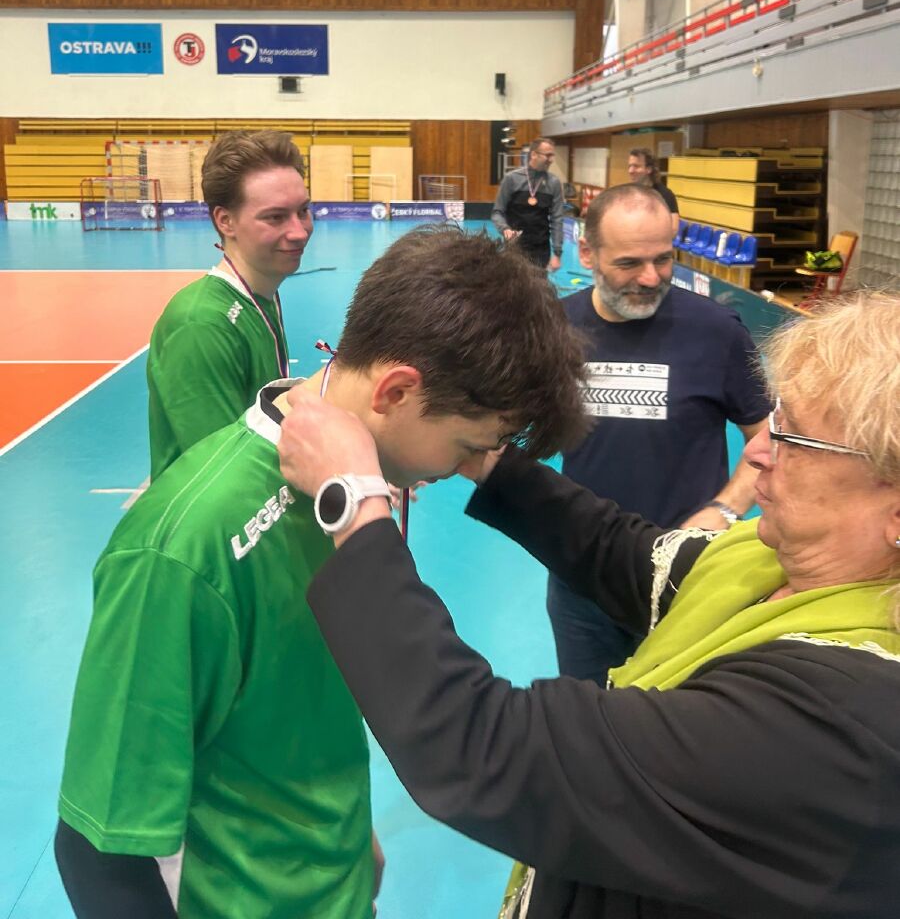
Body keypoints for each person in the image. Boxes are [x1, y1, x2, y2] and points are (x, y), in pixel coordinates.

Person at [278, 289, 900, 919]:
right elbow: (625, 554)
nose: (759, 449)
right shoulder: (770, 562)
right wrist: (477, 448)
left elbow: (488, 751)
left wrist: (352, 501)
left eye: (796, 438)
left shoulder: (850, 720)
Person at [55, 225, 588, 919]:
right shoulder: (184, 549)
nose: (463, 469)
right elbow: (99, 851)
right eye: (465, 446)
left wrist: (345, 827)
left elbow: (296, 699)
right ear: (396, 391)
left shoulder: (355, 498)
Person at [548, 184, 769, 685]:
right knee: (587, 714)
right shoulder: (554, 329)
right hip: (582, 576)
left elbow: (772, 437)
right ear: (588, 253)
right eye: (629, 263)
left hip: (687, 575)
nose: (650, 278)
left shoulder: (717, 331)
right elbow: (499, 420)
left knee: (678, 718)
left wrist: (726, 509)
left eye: (663, 259)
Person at [146, 129, 312, 479]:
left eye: (303, 211)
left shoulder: (261, 296)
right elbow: (222, 472)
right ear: (225, 221)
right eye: (275, 217)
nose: (299, 231)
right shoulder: (201, 325)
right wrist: (340, 479)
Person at [492, 137, 565, 271]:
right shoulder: (511, 179)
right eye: (547, 155)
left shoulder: (554, 183)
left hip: (541, 251)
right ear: (534, 154)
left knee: (538, 284)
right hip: (514, 248)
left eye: (552, 155)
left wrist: (557, 253)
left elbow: (557, 219)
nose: (551, 160)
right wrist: (505, 229)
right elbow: (497, 212)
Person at [627, 145, 679, 234]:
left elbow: (673, 229)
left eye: (636, 166)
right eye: (629, 166)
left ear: (649, 169)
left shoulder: (665, 195)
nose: (630, 171)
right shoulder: (629, 193)